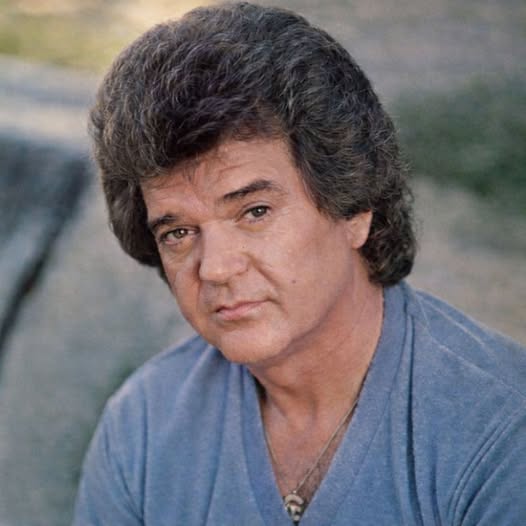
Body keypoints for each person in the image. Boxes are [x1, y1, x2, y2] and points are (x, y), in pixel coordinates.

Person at [74, 3, 526, 525]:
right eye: (178, 233)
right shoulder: (143, 426)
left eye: (255, 212)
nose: (214, 268)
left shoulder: (500, 432)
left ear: (354, 208)